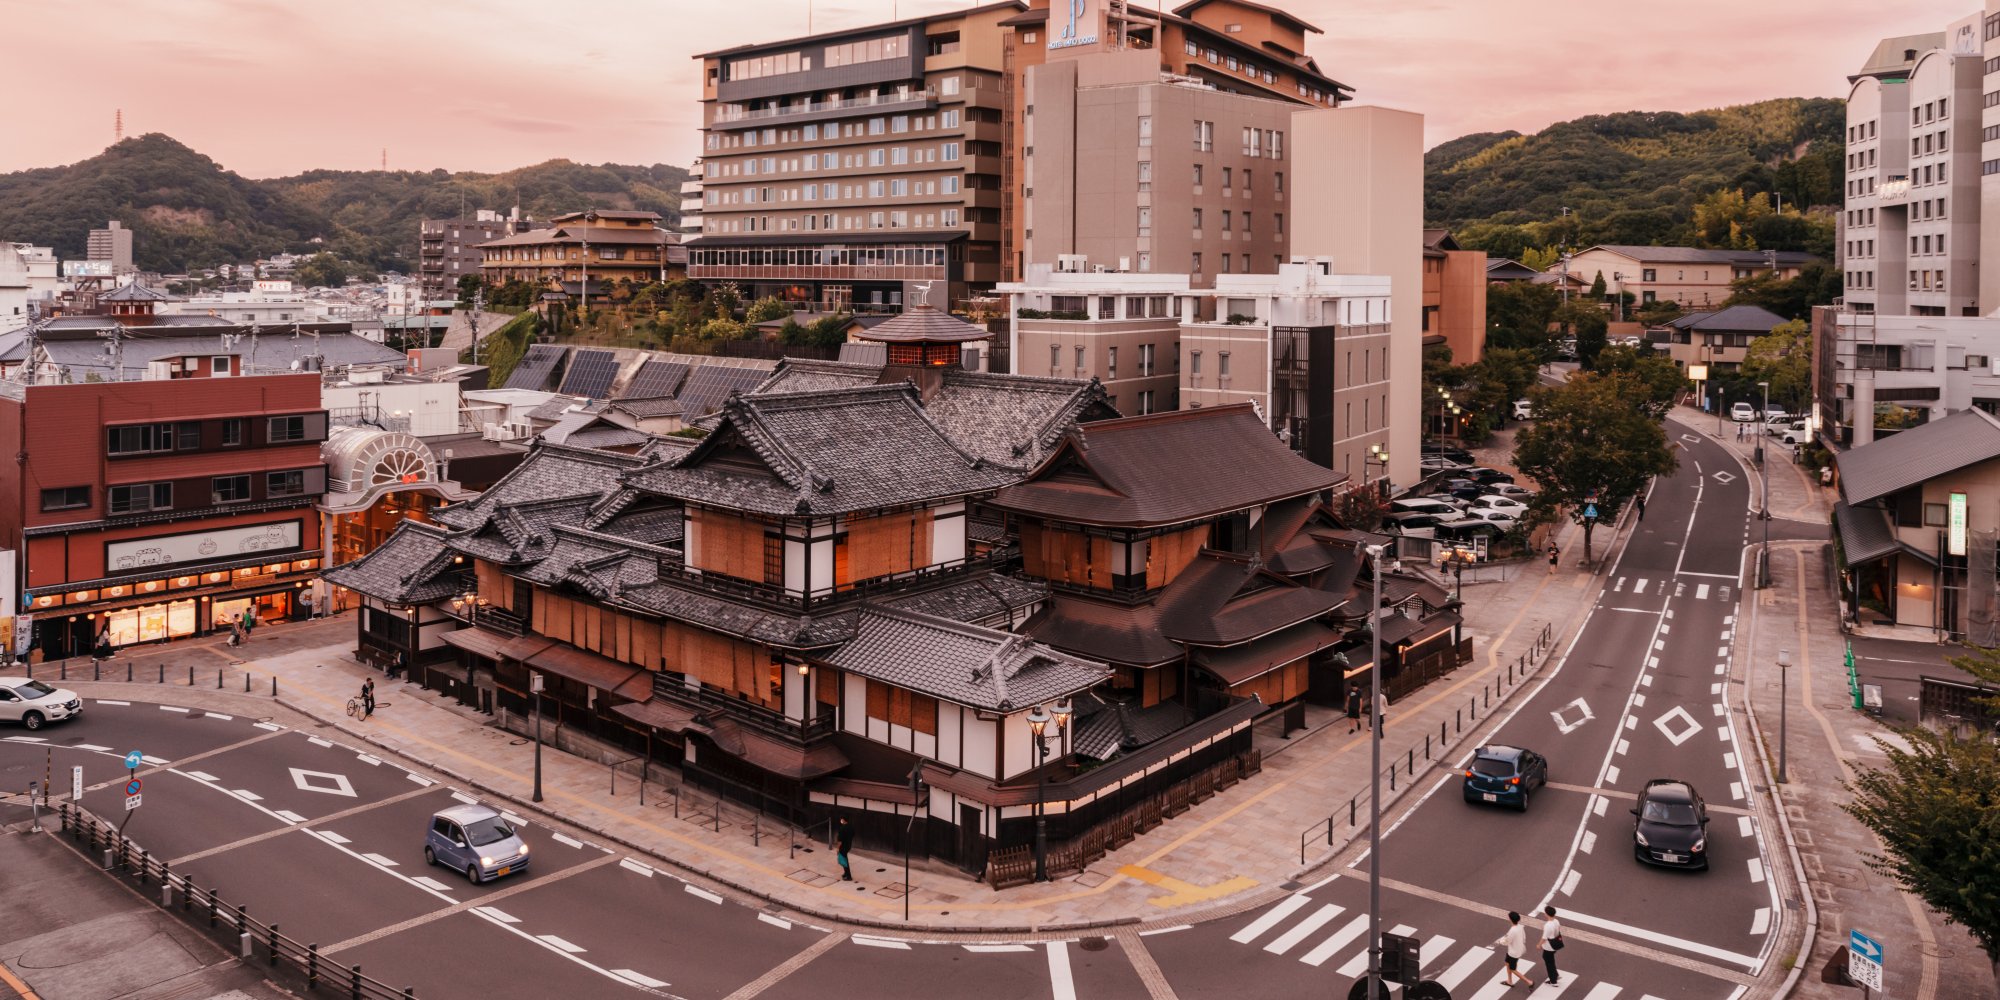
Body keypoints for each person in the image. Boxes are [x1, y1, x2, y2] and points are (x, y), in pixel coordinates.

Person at [1497, 910, 1533, 988]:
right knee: (1507, 963)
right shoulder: (1520, 927)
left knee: (1513, 969)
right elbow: (1524, 937)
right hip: (1517, 949)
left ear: (1510, 919)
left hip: (1513, 953)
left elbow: (1507, 941)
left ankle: (1529, 982)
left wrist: (1500, 941)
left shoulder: (1513, 931)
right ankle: (1509, 981)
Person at [1539, 905, 1564, 986]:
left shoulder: (1548, 925)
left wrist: (1539, 945)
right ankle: (1555, 975)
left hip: (1549, 947)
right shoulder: (1556, 921)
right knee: (1550, 960)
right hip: (1556, 944)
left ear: (1547, 914)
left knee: (1548, 962)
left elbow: (1544, 937)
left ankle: (1553, 980)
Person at [835, 816, 855, 881]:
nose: (841, 820)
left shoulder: (842, 829)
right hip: (848, 845)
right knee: (844, 859)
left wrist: (838, 848)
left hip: (843, 847)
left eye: (841, 819)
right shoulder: (851, 826)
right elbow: (853, 835)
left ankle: (848, 876)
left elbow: (840, 841)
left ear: (843, 820)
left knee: (844, 861)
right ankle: (846, 873)